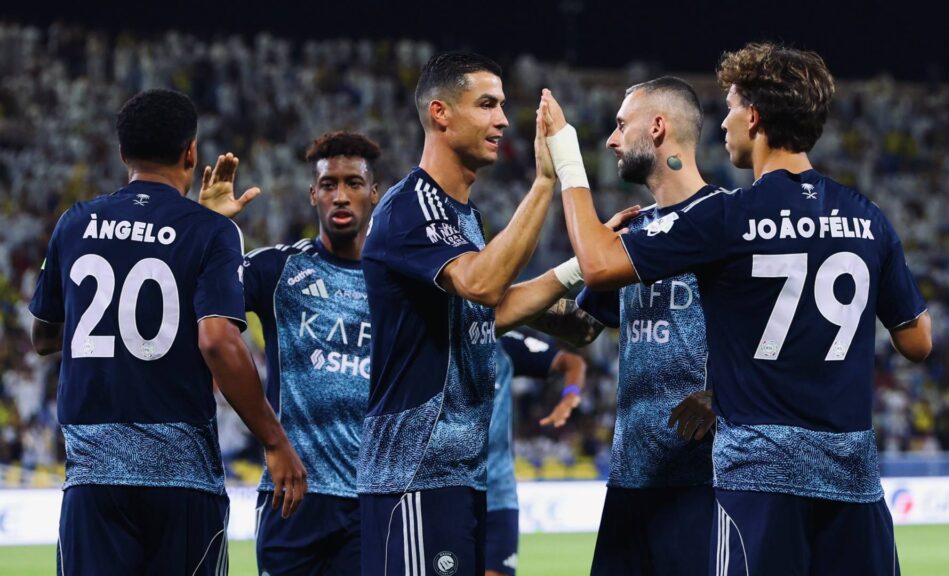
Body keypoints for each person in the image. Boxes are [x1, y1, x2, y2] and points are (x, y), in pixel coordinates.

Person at [542, 42, 932, 576]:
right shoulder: (869, 218)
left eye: (729, 108)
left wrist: (565, 156)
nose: (723, 123)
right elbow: (918, 342)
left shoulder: (729, 217)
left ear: (753, 117)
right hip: (853, 484)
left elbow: (597, 266)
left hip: (758, 483)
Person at [28, 88, 306, 576]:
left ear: (122, 153)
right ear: (191, 152)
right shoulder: (211, 231)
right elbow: (216, 339)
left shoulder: (74, 224)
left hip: (94, 483)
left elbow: (44, 337)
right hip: (183, 482)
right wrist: (275, 441)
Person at [358, 51, 585, 576]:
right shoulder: (412, 204)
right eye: (486, 104)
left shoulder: (464, 217)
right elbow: (483, 285)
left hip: (459, 474)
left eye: (502, 105)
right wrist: (545, 182)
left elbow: (487, 312)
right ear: (440, 113)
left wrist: (583, 269)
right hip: (414, 473)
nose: (502, 120)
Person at [199, 131, 382, 574]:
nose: (341, 196)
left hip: (372, 499)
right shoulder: (277, 268)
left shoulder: (395, 281)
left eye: (354, 183)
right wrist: (210, 228)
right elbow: (198, 300)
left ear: (374, 193)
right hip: (292, 495)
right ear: (313, 194)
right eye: (329, 184)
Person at [575, 76, 719, 576]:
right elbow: (581, 327)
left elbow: (778, 335)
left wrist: (723, 392)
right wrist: (482, 311)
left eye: (621, 125)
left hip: (705, 484)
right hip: (629, 483)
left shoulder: (725, 220)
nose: (612, 140)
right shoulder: (634, 231)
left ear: (657, 128)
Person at [485, 331, 587, 576]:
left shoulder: (504, 344)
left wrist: (570, 395)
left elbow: (573, 362)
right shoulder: (436, 341)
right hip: (450, 491)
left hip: (499, 493)